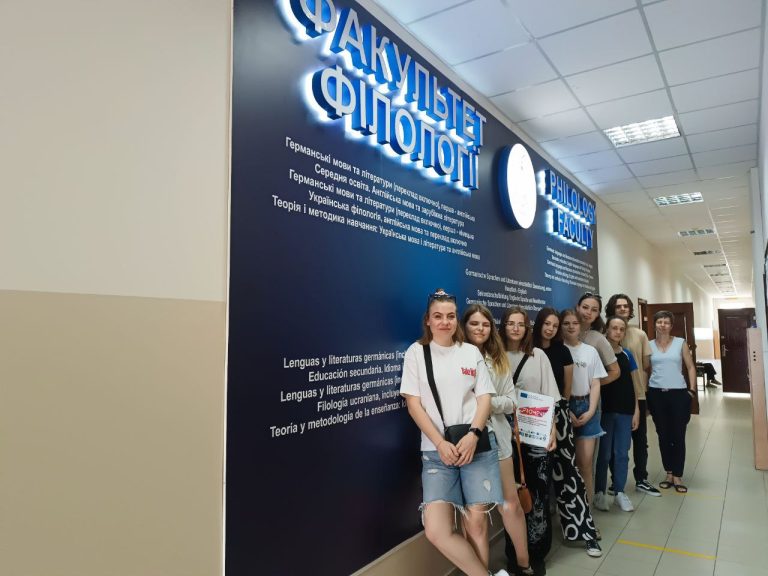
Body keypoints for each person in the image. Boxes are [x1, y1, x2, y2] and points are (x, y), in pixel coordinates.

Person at [400, 289, 511, 576]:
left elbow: (484, 398)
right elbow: (413, 404)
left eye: (450, 316)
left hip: (476, 446)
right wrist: (439, 443)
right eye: (438, 316)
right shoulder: (416, 353)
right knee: (436, 530)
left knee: (476, 523)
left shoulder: (470, 352)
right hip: (437, 451)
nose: (445, 322)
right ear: (428, 320)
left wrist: (473, 434)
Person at [463, 305, 534, 576]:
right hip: (467, 441)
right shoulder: (456, 357)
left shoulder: (498, 358)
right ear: (464, 327)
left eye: (485, 324)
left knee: (510, 504)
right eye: (474, 324)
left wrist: (485, 403)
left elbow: (511, 401)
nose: (480, 329)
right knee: (476, 512)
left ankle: (523, 564)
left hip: (499, 439)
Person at [532, 308, 599, 555]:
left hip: (559, 416)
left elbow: (566, 390)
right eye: (546, 324)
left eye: (554, 325)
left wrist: (564, 410)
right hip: (531, 417)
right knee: (536, 478)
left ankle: (584, 530)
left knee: (569, 473)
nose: (550, 329)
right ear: (538, 325)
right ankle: (536, 539)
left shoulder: (562, 351)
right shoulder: (528, 349)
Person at [500, 306, 562, 574]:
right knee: (512, 496)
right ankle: (515, 553)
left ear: (527, 328)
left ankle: (537, 552)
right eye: (510, 323)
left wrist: (552, 430)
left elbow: (550, 397)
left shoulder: (538, 356)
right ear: (503, 326)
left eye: (520, 324)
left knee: (537, 494)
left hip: (535, 433)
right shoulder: (494, 356)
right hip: (504, 435)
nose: (515, 328)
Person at [560, 308, 605, 558]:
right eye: (566, 323)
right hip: (565, 408)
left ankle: (587, 517)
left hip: (587, 406)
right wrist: (566, 410)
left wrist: (590, 410)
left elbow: (596, 382)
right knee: (568, 466)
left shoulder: (590, 351)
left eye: (574, 323)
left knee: (585, 465)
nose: (570, 327)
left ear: (581, 326)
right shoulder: (557, 351)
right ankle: (568, 518)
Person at [604, 294, 660, 497]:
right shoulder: (604, 336)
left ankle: (641, 479)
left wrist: (640, 387)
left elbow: (646, 364)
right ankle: (615, 481)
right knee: (614, 442)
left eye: (626, 306)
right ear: (611, 309)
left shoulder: (640, 334)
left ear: (630, 310)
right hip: (611, 395)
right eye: (618, 306)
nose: (622, 309)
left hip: (637, 394)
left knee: (640, 439)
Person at [647, 310, 697, 494]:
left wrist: (691, 391)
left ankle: (678, 475)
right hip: (656, 394)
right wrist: (645, 392)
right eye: (659, 322)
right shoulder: (649, 345)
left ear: (671, 325)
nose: (663, 325)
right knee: (663, 435)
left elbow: (690, 366)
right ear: (654, 324)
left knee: (678, 435)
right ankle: (668, 473)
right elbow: (645, 369)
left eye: (666, 322)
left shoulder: (680, 343)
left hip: (678, 394)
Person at [593, 316, 640, 513]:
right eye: (614, 328)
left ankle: (619, 491)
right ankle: (599, 492)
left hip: (626, 410)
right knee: (603, 454)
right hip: (605, 410)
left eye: (622, 329)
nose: (618, 332)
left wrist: (636, 410)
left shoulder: (627, 355)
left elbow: (633, 384)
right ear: (607, 329)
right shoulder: (598, 353)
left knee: (621, 453)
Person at [575, 293, 619, 387]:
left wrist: (591, 385)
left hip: (588, 394)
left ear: (598, 314)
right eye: (585, 307)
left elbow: (615, 372)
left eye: (594, 310)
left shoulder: (599, 339)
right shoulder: (563, 333)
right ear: (578, 307)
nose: (589, 312)